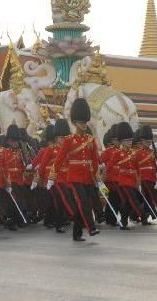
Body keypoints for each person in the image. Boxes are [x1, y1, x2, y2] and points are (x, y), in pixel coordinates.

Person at [49, 99, 101, 241]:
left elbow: (94, 160)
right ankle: (91, 227)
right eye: (81, 123)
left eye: (85, 122)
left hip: (88, 177)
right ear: (74, 123)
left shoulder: (90, 140)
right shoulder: (68, 140)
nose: (83, 125)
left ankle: (76, 233)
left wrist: (97, 177)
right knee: (83, 201)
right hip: (74, 177)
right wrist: (51, 177)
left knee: (83, 204)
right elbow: (58, 160)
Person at [134, 125, 157, 222]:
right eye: (146, 142)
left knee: (146, 198)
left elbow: (154, 166)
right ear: (142, 141)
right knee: (147, 197)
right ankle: (152, 213)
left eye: (150, 142)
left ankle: (147, 215)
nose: (148, 143)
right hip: (143, 178)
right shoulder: (137, 153)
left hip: (151, 177)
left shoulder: (153, 151)